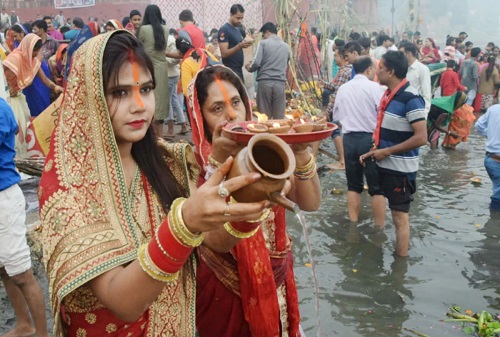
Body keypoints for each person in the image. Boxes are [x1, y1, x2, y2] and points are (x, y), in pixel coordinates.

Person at [39, 30, 271, 337]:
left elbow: (212, 242)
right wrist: (184, 225)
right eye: (119, 92)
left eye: (146, 89)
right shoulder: (68, 186)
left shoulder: (166, 162)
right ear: (87, 98)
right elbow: (122, 301)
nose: (139, 105)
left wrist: (252, 200)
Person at [187, 65, 320, 337]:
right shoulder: (189, 165)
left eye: (236, 102)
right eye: (217, 109)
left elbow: (310, 204)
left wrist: (302, 154)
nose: (232, 115)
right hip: (222, 289)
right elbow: (212, 239)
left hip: (276, 282)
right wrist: (216, 164)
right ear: (200, 119)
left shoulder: (269, 148)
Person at [360, 51, 427, 257]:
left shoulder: (411, 98)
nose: (377, 71)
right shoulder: (388, 94)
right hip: (384, 164)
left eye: (380, 68)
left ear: (391, 71)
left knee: (399, 216)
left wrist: (387, 151)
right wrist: (373, 151)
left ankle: (400, 265)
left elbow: (421, 137)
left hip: (400, 169)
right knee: (392, 211)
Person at [0, 97, 50, 337]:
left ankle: (41, 333)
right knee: (4, 269)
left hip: (4, 201)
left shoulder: (0, 108)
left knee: (22, 273)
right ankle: (24, 324)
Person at [333, 56, 386, 226]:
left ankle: (353, 224)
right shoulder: (375, 88)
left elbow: (337, 117)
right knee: (376, 188)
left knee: (353, 185)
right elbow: (382, 114)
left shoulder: (343, 89)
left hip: (348, 139)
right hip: (369, 139)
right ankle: (379, 227)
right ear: (369, 69)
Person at [3, 33, 62, 156]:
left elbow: (45, 80)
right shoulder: (14, 59)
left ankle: (21, 161)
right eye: (33, 52)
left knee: (24, 131)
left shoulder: (32, 60)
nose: (35, 55)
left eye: (37, 53)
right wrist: (7, 91)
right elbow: (3, 79)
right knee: (14, 132)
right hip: (9, 101)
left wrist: (56, 87)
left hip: (20, 99)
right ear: (27, 48)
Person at [137, 4, 170, 137]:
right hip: (162, 68)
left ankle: (149, 137)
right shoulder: (166, 29)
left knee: (147, 97)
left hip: (147, 68)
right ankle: (160, 137)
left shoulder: (143, 29)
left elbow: (137, 47)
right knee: (160, 100)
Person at [245, 22, 289, 119]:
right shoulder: (286, 46)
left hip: (265, 83)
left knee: (264, 118)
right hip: (280, 85)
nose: (263, 37)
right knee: (279, 119)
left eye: (263, 35)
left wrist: (249, 67)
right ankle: (279, 134)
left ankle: (266, 134)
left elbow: (256, 63)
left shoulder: (263, 43)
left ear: (267, 32)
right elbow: (286, 64)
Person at [218, 4, 252, 81]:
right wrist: (239, 46)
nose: (240, 20)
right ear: (231, 15)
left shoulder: (238, 29)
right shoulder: (224, 30)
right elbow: (224, 53)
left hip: (238, 69)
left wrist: (245, 44)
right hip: (230, 71)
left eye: (241, 18)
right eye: (237, 18)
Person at [476, 104, 500, 211]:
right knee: (498, 196)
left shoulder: (493, 109)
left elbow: (479, 126)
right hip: (496, 161)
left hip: (491, 158)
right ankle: (494, 223)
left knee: (497, 192)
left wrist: (490, 135)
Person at [165, 29, 188, 138]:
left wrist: (162, 59)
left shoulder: (169, 40)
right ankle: (183, 126)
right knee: (173, 99)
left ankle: (170, 130)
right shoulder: (169, 39)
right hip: (173, 74)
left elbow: (176, 58)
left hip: (170, 74)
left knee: (168, 101)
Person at [400, 42, 431, 114]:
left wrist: (424, 114)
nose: (399, 57)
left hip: (416, 109)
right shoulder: (402, 68)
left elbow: (426, 93)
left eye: (401, 54)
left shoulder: (422, 69)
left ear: (408, 54)